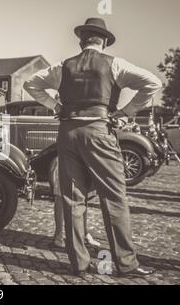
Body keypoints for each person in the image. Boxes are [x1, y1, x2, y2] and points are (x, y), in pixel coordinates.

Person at [23, 18, 162, 277]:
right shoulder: (115, 64)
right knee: (114, 197)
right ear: (105, 42)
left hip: (67, 133)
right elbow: (153, 83)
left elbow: (30, 84)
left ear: (81, 41)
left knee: (73, 198)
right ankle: (126, 263)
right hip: (99, 132)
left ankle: (79, 264)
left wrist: (55, 106)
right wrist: (125, 112)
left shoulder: (63, 66)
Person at [49, 158, 100, 249]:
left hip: (84, 155)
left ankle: (84, 233)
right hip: (67, 155)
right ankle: (58, 236)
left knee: (83, 195)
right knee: (60, 194)